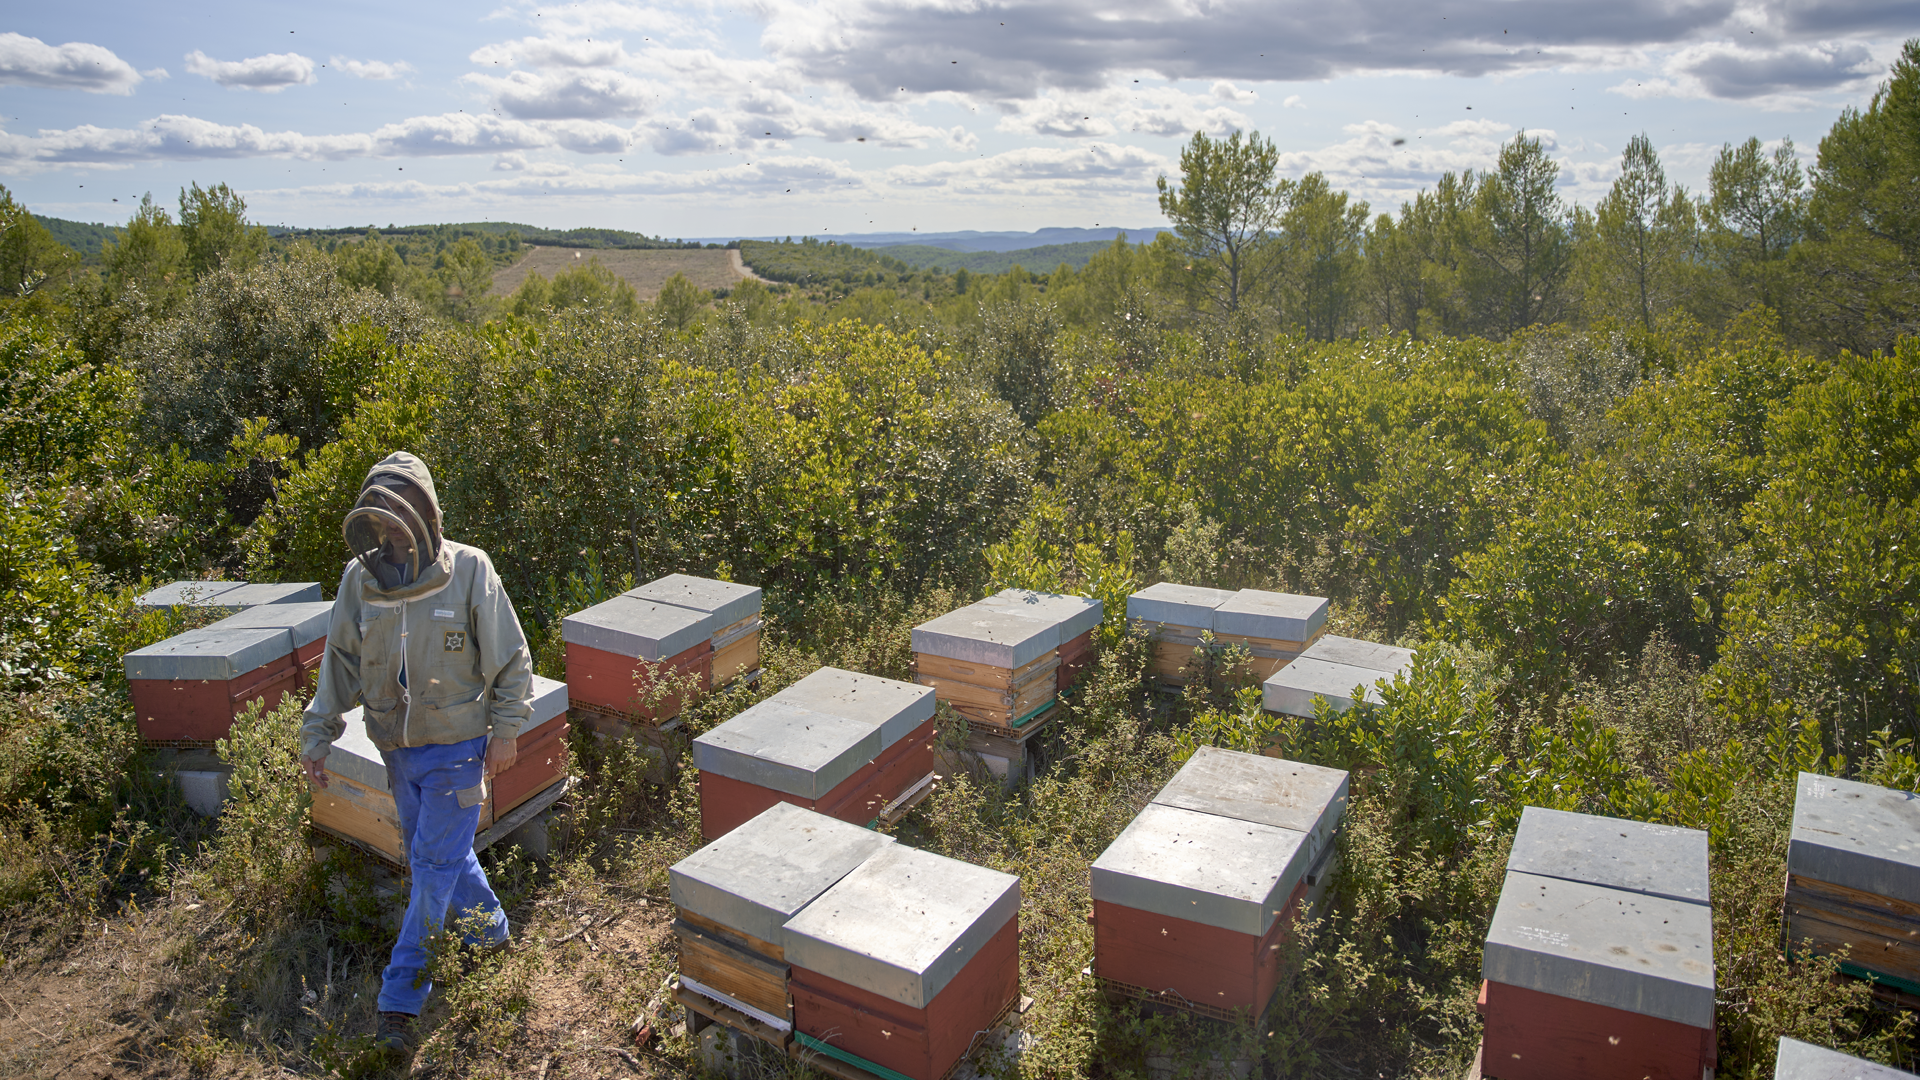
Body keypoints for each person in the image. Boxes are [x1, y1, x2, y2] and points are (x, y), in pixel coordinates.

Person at [298, 451, 534, 1060]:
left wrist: (506, 731)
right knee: (440, 859)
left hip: (458, 749)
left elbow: (511, 659)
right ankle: (493, 935)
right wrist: (317, 733)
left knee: (429, 870)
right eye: (381, 523)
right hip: (394, 749)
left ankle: (399, 1002)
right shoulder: (361, 580)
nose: (391, 536)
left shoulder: (470, 571)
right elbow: (339, 663)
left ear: (426, 516)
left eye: (401, 522)